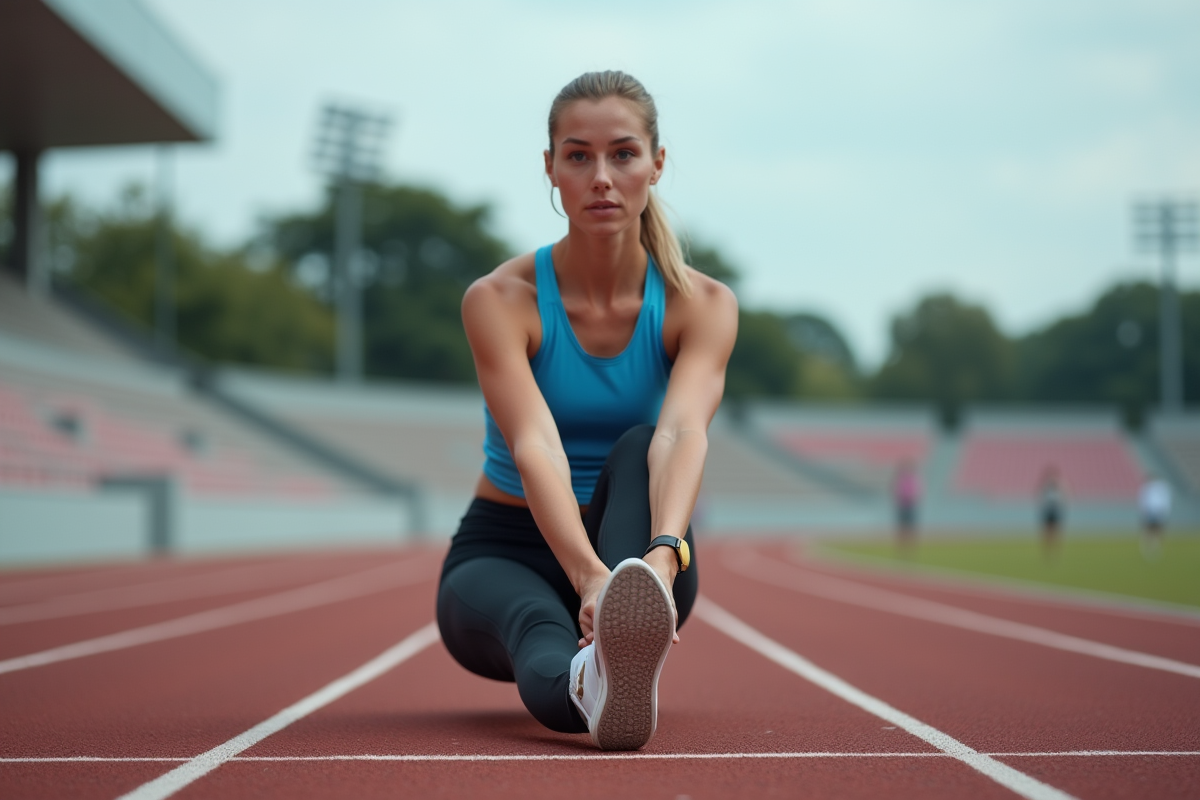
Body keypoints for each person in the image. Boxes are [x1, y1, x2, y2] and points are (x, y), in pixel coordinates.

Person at [436, 71, 738, 751]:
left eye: (623, 154)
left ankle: (619, 648)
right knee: (536, 627)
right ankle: (592, 684)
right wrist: (589, 579)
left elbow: (682, 430)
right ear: (550, 168)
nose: (602, 176)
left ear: (657, 164)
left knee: (638, 442)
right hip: (505, 548)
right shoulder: (501, 299)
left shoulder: (703, 305)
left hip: (643, 554)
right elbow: (535, 443)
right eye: (578, 156)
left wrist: (658, 562)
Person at [1138, 473, 1172, 559]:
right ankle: (1149, 547)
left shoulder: (1160, 487)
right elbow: (1143, 500)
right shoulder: (1147, 487)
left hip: (1157, 511)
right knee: (1149, 530)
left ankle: (1155, 547)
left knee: (1156, 530)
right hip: (1151, 511)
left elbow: (1165, 499)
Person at [892, 458, 920, 550]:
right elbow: (897, 492)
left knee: (910, 525)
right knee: (902, 525)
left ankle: (910, 544)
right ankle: (902, 543)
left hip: (909, 504)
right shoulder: (900, 479)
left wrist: (911, 498)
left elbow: (916, 492)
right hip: (903, 504)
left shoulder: (913, 479)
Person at [1037, 465, 1064, 558]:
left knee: (1056, 533)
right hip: (1048, 511)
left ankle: (1056, 553)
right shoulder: (1045, 486)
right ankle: (1048, 553)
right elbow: (1040, 498)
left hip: (1055, 510)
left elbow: (1063, 499)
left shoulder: (1060, 486)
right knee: (1047, 533)